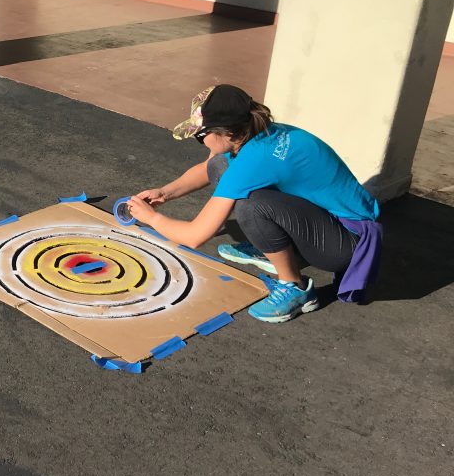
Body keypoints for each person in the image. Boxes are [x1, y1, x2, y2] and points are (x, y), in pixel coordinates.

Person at [126, 84, 383, 323]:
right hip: (329, 220)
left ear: (225, 132)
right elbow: (208, 167)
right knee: (219, 164)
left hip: (350, 244)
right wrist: (165, 192)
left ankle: (294, 286)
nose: (200, 141)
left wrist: (151, 218)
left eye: (200, 135)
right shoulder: (259, 132)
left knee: (252, 207)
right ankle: (274, 248)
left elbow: (196, 235)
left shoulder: (253, 160)